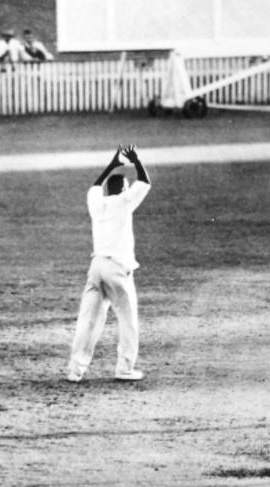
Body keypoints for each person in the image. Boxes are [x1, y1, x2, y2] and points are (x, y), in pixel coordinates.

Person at [67, 145, 152, 382]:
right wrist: (135, 161)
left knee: (88, 321)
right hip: (117, 268)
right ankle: (124, 369)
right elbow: (145, 182)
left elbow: (95, 186)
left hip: (96, 267)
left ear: (107, 190)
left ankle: (75, 370)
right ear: (124, 189)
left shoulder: (97, 204)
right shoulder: (125, 202)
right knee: (128, 321)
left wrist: (113, 163)